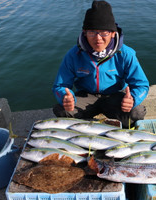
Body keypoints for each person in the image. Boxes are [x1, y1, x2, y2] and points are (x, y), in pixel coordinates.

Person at [52, 0, 149, 128]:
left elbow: (142, 85)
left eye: (104, 32)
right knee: (62, 110)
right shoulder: (73, 55)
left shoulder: (126, 54)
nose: (98, 38)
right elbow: (60, 85)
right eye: (92, 32)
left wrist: (132, 100)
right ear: (84, 32)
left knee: (136, 113)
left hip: (114, 96)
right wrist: (66, 98)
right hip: (86, 96)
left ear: (113, 33)